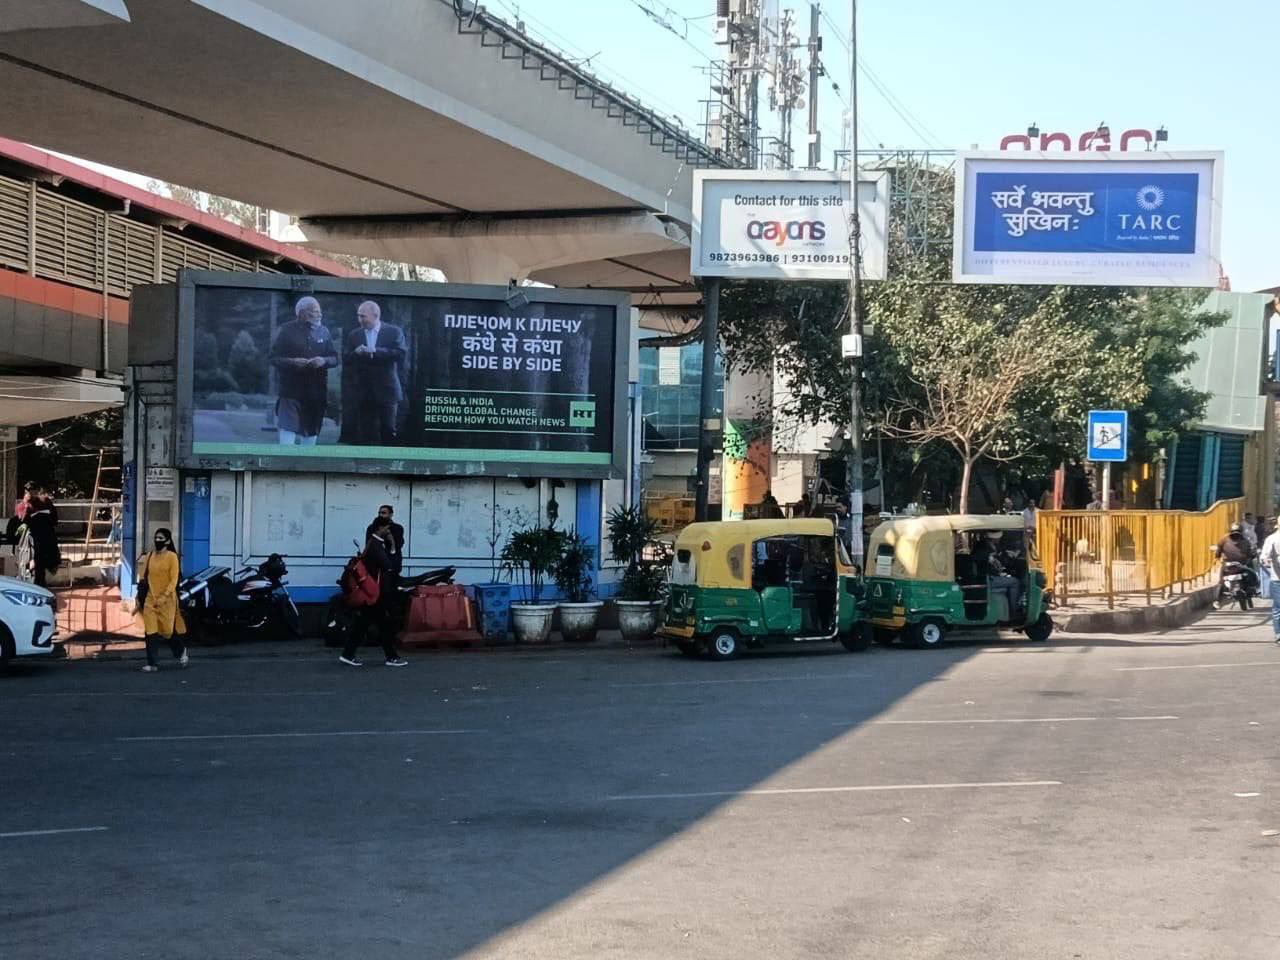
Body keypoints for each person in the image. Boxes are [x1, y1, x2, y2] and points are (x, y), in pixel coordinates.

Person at [269, 296, 339, 446]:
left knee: (310, 437)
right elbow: (273, 358)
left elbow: (334, 358)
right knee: (287, 435)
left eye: (320, 311)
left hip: (315, 394)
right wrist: (293, 362)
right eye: (315, 312)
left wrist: (323, 361)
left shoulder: (324, 332)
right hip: (290, 392)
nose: (320, 315)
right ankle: (285, 466)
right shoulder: (285, 331)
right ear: (301, 313)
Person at [340, 516, 408, 668]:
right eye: (387, 528)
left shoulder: (372, 543)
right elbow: (389, 565)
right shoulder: (376, 546)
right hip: (376, 593)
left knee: (364, 625)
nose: (388, 531)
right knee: (382, 625)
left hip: (372, 593)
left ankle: (348, 654)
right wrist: (391, 546)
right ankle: (391, 657)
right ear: (380, 528)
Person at [343, 300, 406, 445]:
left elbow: (400, 353)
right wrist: (356, 353)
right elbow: (346, 358)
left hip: (387, 389)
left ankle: (390, 464)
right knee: (365, 431)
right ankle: (365, 464)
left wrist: (375, 351)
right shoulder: (354, 335)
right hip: (364, 390)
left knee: (388, 429)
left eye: (363, 316)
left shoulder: (393, 332)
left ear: (375, 315)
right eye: (358, 316)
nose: (360, 320)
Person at [137, 527, 188, 673]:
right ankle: (152, 664)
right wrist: (139, 596)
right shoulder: (150, 556)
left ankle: (181, 651)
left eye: (160, 538)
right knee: (150, 631)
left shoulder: (172, 557)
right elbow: (143, 577)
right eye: (156, 537)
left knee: (167, 631)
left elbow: (174, 580)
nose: (157, 540)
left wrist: (165, 596)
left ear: (167, 541)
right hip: (150, 600)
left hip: (167, 601)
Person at [1215, 522, 1258, 605]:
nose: (1236, 537)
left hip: (1237, 565)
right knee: (1220, 581)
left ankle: (1217, 600)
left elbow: (1218, 551)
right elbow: (1218, 550)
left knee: (1252, 573)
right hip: (1231, 565)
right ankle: (1216, 600)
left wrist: (1217, 556)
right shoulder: (1225, 539)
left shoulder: (1244, 541)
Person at [365, 504, 405, 576]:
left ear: (391, 514)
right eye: (379, 513)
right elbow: (368, 545)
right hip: (376, 567)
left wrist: (391, 541)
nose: (380, 515)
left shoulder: (398, 528)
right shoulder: (371, 528)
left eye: (383, 513)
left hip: (393, 564)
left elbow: (399, 545)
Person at [1260, 518, 1280, 644]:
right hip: (1277, 578)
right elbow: (1264, 557)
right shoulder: (1271, 539)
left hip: (1276, 578)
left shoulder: (1271, 539)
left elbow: (1263, 558)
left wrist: (1267, 562)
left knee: (1278, 607)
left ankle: (1278, 634)